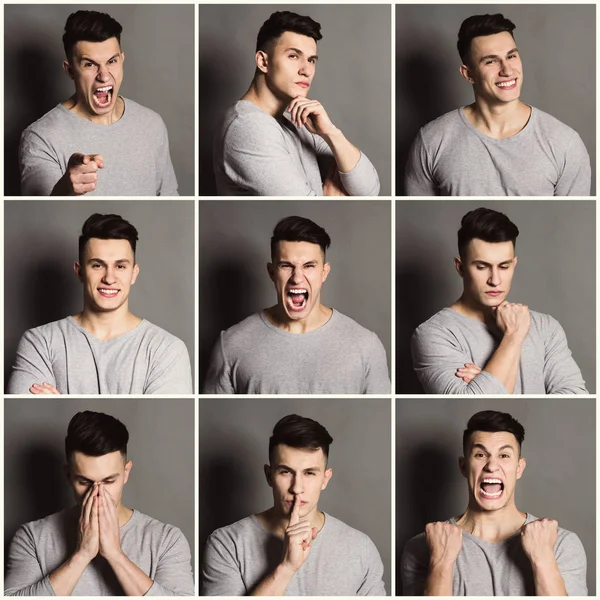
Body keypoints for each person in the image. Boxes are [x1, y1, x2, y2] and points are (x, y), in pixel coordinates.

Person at [5, 410, 195, 596]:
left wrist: (115, 555)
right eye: (85, 482)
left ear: (126, 473)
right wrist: (82, 555)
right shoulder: (32, 538)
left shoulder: (167, 539)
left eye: (109, 481)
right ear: (68, 475)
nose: (97, 493)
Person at [401, 410, 587, 596]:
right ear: (463, 467)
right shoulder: (422, 547)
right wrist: (441, 562)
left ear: (519, 468)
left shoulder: (561, 545)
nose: (491, 466)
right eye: (480, 455)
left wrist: (543, 560)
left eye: (504, 455)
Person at [404, 13, 591, 196]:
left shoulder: (565, 143)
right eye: (491, 61)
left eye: (511, 56)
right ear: (468, 74)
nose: (507, 70)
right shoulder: (431, 140)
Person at [8, 213, 192, 394]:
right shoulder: (40, 342)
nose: (109, 278)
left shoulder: (167, 349)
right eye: (97, 265)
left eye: (120, 266)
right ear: (79, 272)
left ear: (134, 273)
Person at [202, 414, 386, 595]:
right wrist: (286, 568)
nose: (297, 488)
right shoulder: (227, 543)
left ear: (325, 479)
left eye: (310, 473)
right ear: (269, 475)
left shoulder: (360, 548)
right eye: (285, 472)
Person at [203, 216, 390, 393]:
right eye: (286, 266)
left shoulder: (365, 345)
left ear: (324, 272)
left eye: (309, 266)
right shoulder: (231, 344)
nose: (297, 278)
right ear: (271, 272)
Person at [410, 207, 587, 394]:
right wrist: (514, 336)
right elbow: (476, 403)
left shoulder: (545, 326)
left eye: (504, 266)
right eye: (482, 267)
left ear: (514, 264)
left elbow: (576, 394)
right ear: (460, 267)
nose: (495, 280)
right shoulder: (434, 334)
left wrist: (486, 382)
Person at [214, 10, 380, 196]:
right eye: (293, 56)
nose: (306, 70)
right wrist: (329, 199)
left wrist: (331, 133)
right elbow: (307, 203)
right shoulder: (247, 126)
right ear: (263, 61)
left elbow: (369, 191)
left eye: (311, 60)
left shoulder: (298, 121)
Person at [19, 10, 178, 196]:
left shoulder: (152, 123)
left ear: (122, 60)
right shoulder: (40, 138)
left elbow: (169, 194)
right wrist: (65, 189)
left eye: (111, 61)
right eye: (89, 64)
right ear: (70, 70)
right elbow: (40, 204)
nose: (104, 76)